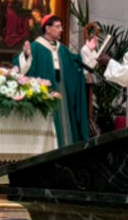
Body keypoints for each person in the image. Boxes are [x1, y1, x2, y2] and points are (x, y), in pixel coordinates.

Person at [16, 15, 89, 147]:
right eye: (58, 26)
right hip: (44, 97)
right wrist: (26, 55)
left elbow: (77, 63)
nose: (61, 29)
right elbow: (19, 66)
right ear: (48, 28)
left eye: (61, 27)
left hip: (62, 96)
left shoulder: (62, 49)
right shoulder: (36, 47)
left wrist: (88, 50)